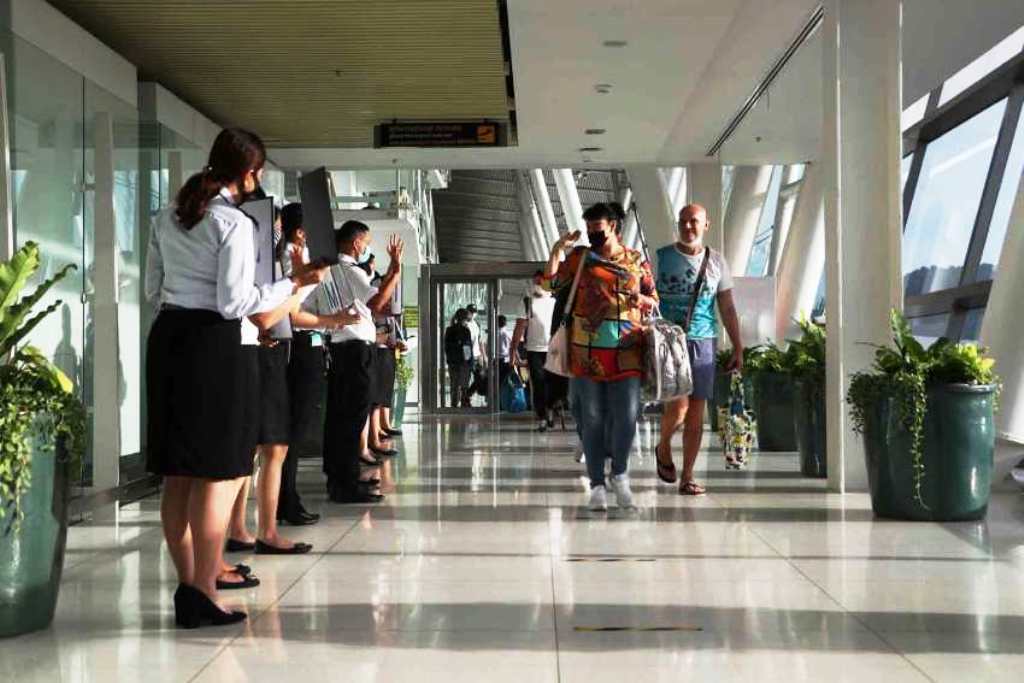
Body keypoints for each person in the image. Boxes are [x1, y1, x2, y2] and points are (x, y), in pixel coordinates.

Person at [145, 128, 326, 628]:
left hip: (168, 339)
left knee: (178, 472)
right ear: (249, 174)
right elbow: (233, 303)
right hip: (213, 346)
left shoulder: (166, 216)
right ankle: (203, 589)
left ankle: (189, 586)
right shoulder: (233, 223)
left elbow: (151, 288)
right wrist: (293, 282)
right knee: (218, 470)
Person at [544, 202, 657, 511]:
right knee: (591, 420)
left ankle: (619, 474)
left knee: (626, 417)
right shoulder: (581, 258)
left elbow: (653, 300)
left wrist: (641, 299)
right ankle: (596, 483)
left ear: (615, 228)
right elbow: (547, 283)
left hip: (627, 353)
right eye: (590, 230)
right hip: (586, 354)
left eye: (599, 231)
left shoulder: (636, 262)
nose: (593, 236)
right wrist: (557, 250)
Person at [301, 220, 403, 503]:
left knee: (339, 417)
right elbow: (378, 303)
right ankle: (345, 484)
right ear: (356, 243)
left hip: (339, 348)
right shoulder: (350, 270)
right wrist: (395, 270)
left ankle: (339, 478)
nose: (367, 247)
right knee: (352, 417)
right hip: (356, 350)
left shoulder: (328, 270)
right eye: (366, 242)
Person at [653, 203, 744, 496]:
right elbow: (643, 295)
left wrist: (738, 346)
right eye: (683, 221)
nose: (687, 226)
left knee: (696, 413)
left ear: (706, 225)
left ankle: (688, 476)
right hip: (670, 341)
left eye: (694, 221)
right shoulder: (662, 257)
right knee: (678, 406)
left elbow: (727, 307)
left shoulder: (717, 262)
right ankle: (663, 444)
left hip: (704, 342)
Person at [512, 271, 556, 431]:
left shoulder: (556, 302)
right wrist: (513, 350)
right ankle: (542, 416)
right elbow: (519, 327)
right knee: (538, 383)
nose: (537, 285)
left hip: (553, 349)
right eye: (535, 282)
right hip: (534, 350)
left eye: (540, 281)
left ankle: (551, 409)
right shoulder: (526, 302)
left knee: (553, 383)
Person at [444, 309, 473, 408]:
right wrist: (469, 362)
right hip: (463, 362)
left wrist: (449, 359)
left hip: (452, 362)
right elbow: (467, 347)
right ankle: (464, 404)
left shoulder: (449, 330)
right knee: (464, 385)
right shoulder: (465, 330)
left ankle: (454, 405)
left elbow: (446, 347)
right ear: (465, 318)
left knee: (454, 384)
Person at [497, 314, 512, 384]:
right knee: (503, 380)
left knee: (497, 379)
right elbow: (511, 346)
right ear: (505, 323)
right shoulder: (506, 333)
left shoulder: (493, 333)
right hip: (505, 359)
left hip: (495, 358)